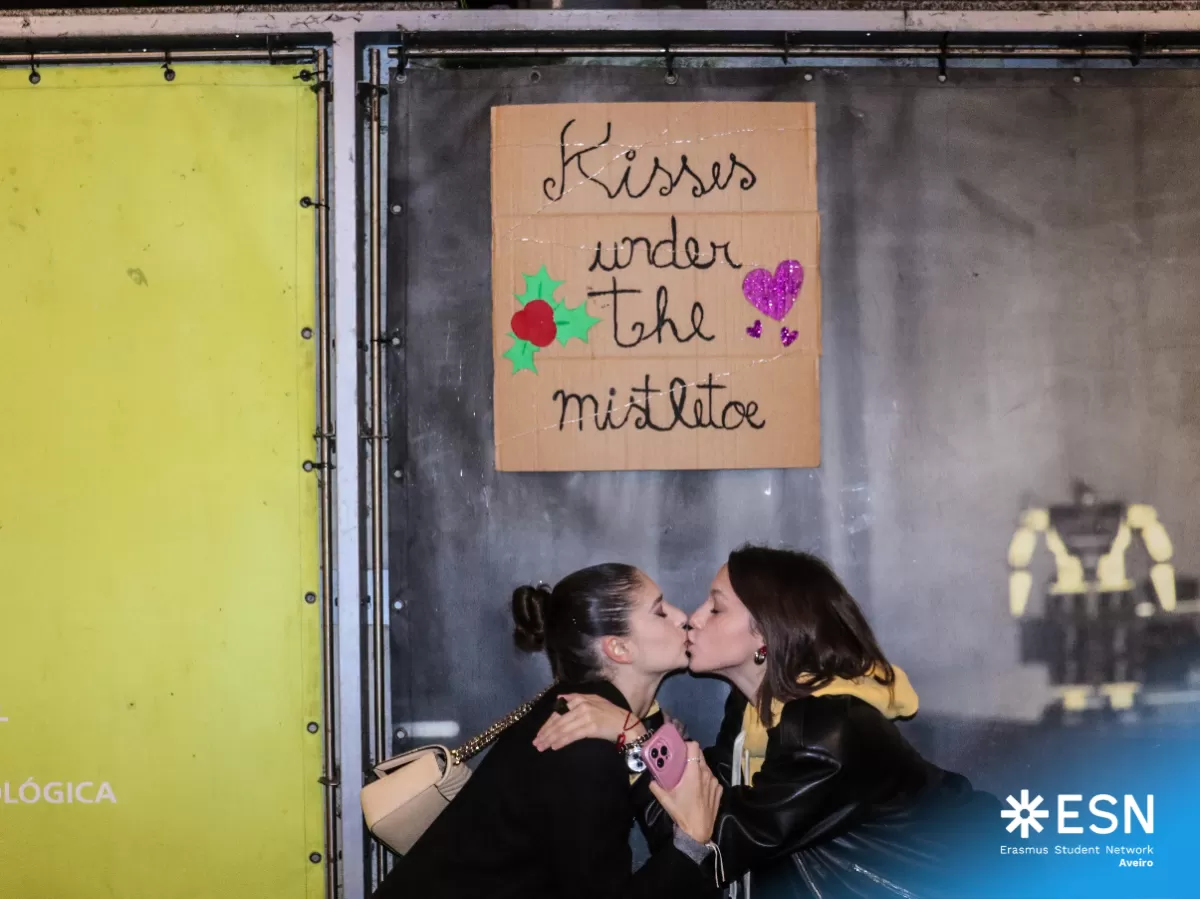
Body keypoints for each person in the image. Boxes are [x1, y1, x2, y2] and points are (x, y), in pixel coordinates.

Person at [534, 546, 1002, 899]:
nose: (692, 619)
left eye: (715, 608)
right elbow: (703, 807)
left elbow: (711, 850)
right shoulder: (751, 708)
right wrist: (643, 726)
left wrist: (635, 739)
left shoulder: (827, 731)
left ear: (765, 633)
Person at [372, 562, 724, 899]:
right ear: (618, 648)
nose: (684, 618)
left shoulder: (603, 718)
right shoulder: (581, 743)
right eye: (660, 612)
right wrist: (691, 844)